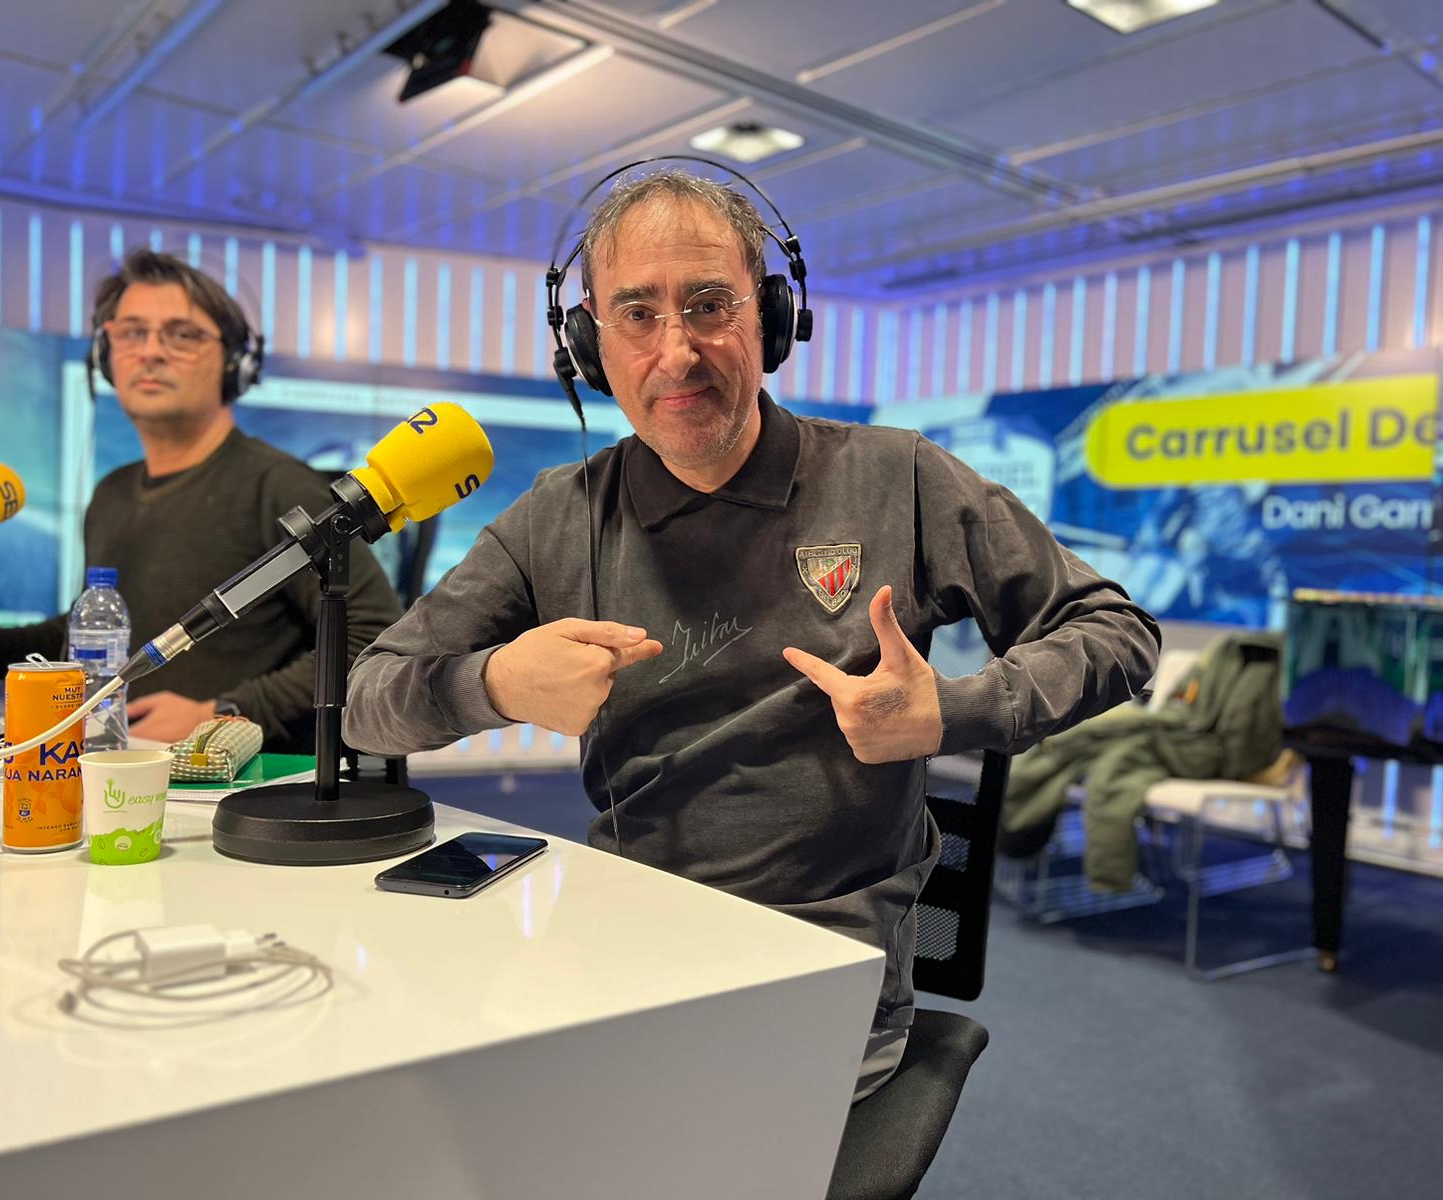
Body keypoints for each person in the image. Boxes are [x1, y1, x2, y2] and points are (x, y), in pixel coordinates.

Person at [341, 170, 1160, 1099]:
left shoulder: (901, 478)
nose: (677, 352)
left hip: (828, 954)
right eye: (636, 314)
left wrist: (958, 711)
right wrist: (490, 685)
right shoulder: (556, 519)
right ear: (587, 344)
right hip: (627, 930)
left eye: (709, 305)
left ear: (771, 321)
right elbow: (366, 703)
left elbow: (1116, 629)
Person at [0, 248, 404, 750]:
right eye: (132, 332)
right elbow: (81, 635)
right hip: (125, 777)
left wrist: (225, 715)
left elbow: (376, 638)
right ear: (105, 355)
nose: (151, 351)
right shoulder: (112, 493)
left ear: (235, 361)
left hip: (233, 794)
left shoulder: (278, 485)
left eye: (182, 334)